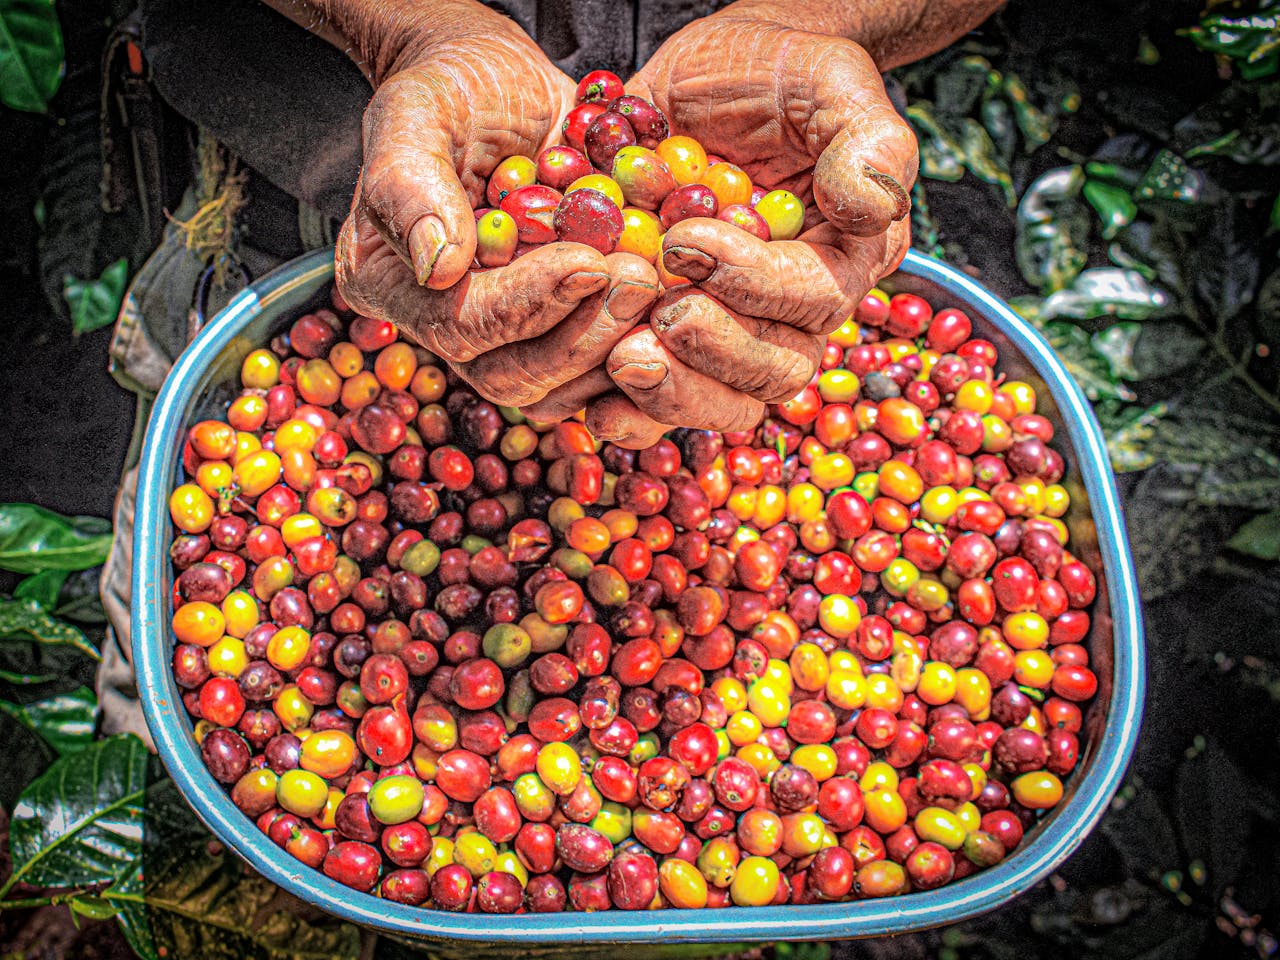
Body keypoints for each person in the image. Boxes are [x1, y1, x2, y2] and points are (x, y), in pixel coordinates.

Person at [97, 0, 1001, 737]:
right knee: (204, 862)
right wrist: (403, 28)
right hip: (320, 194)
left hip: (772, 204)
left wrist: (824, 22)